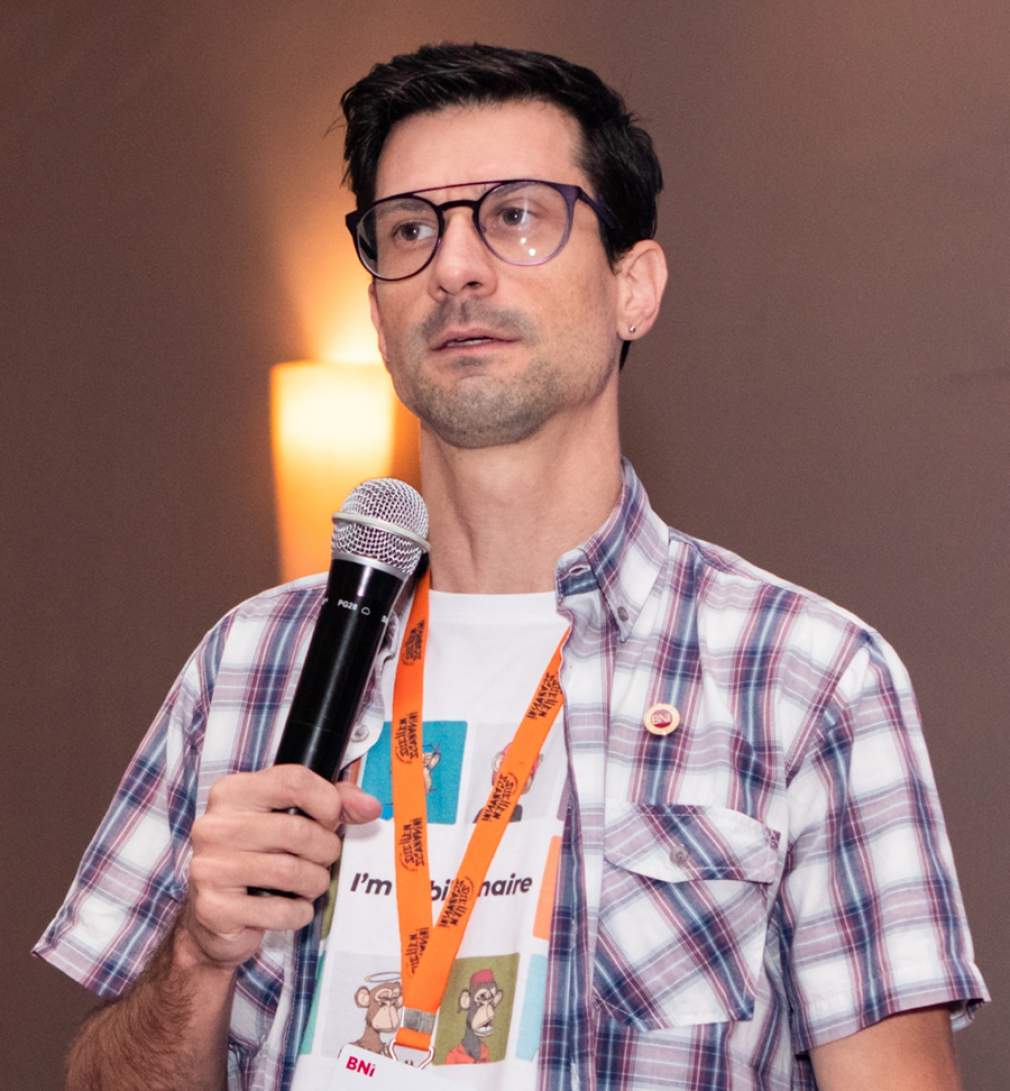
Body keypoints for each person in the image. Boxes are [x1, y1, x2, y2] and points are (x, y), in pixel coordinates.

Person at [35, 42, 987, 1091]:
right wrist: (197, 955)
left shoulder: (803, 676)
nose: (455, 266)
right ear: (379, 318)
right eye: (411, 229)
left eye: (516, 215)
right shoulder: (249, 663)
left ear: (633, 287)